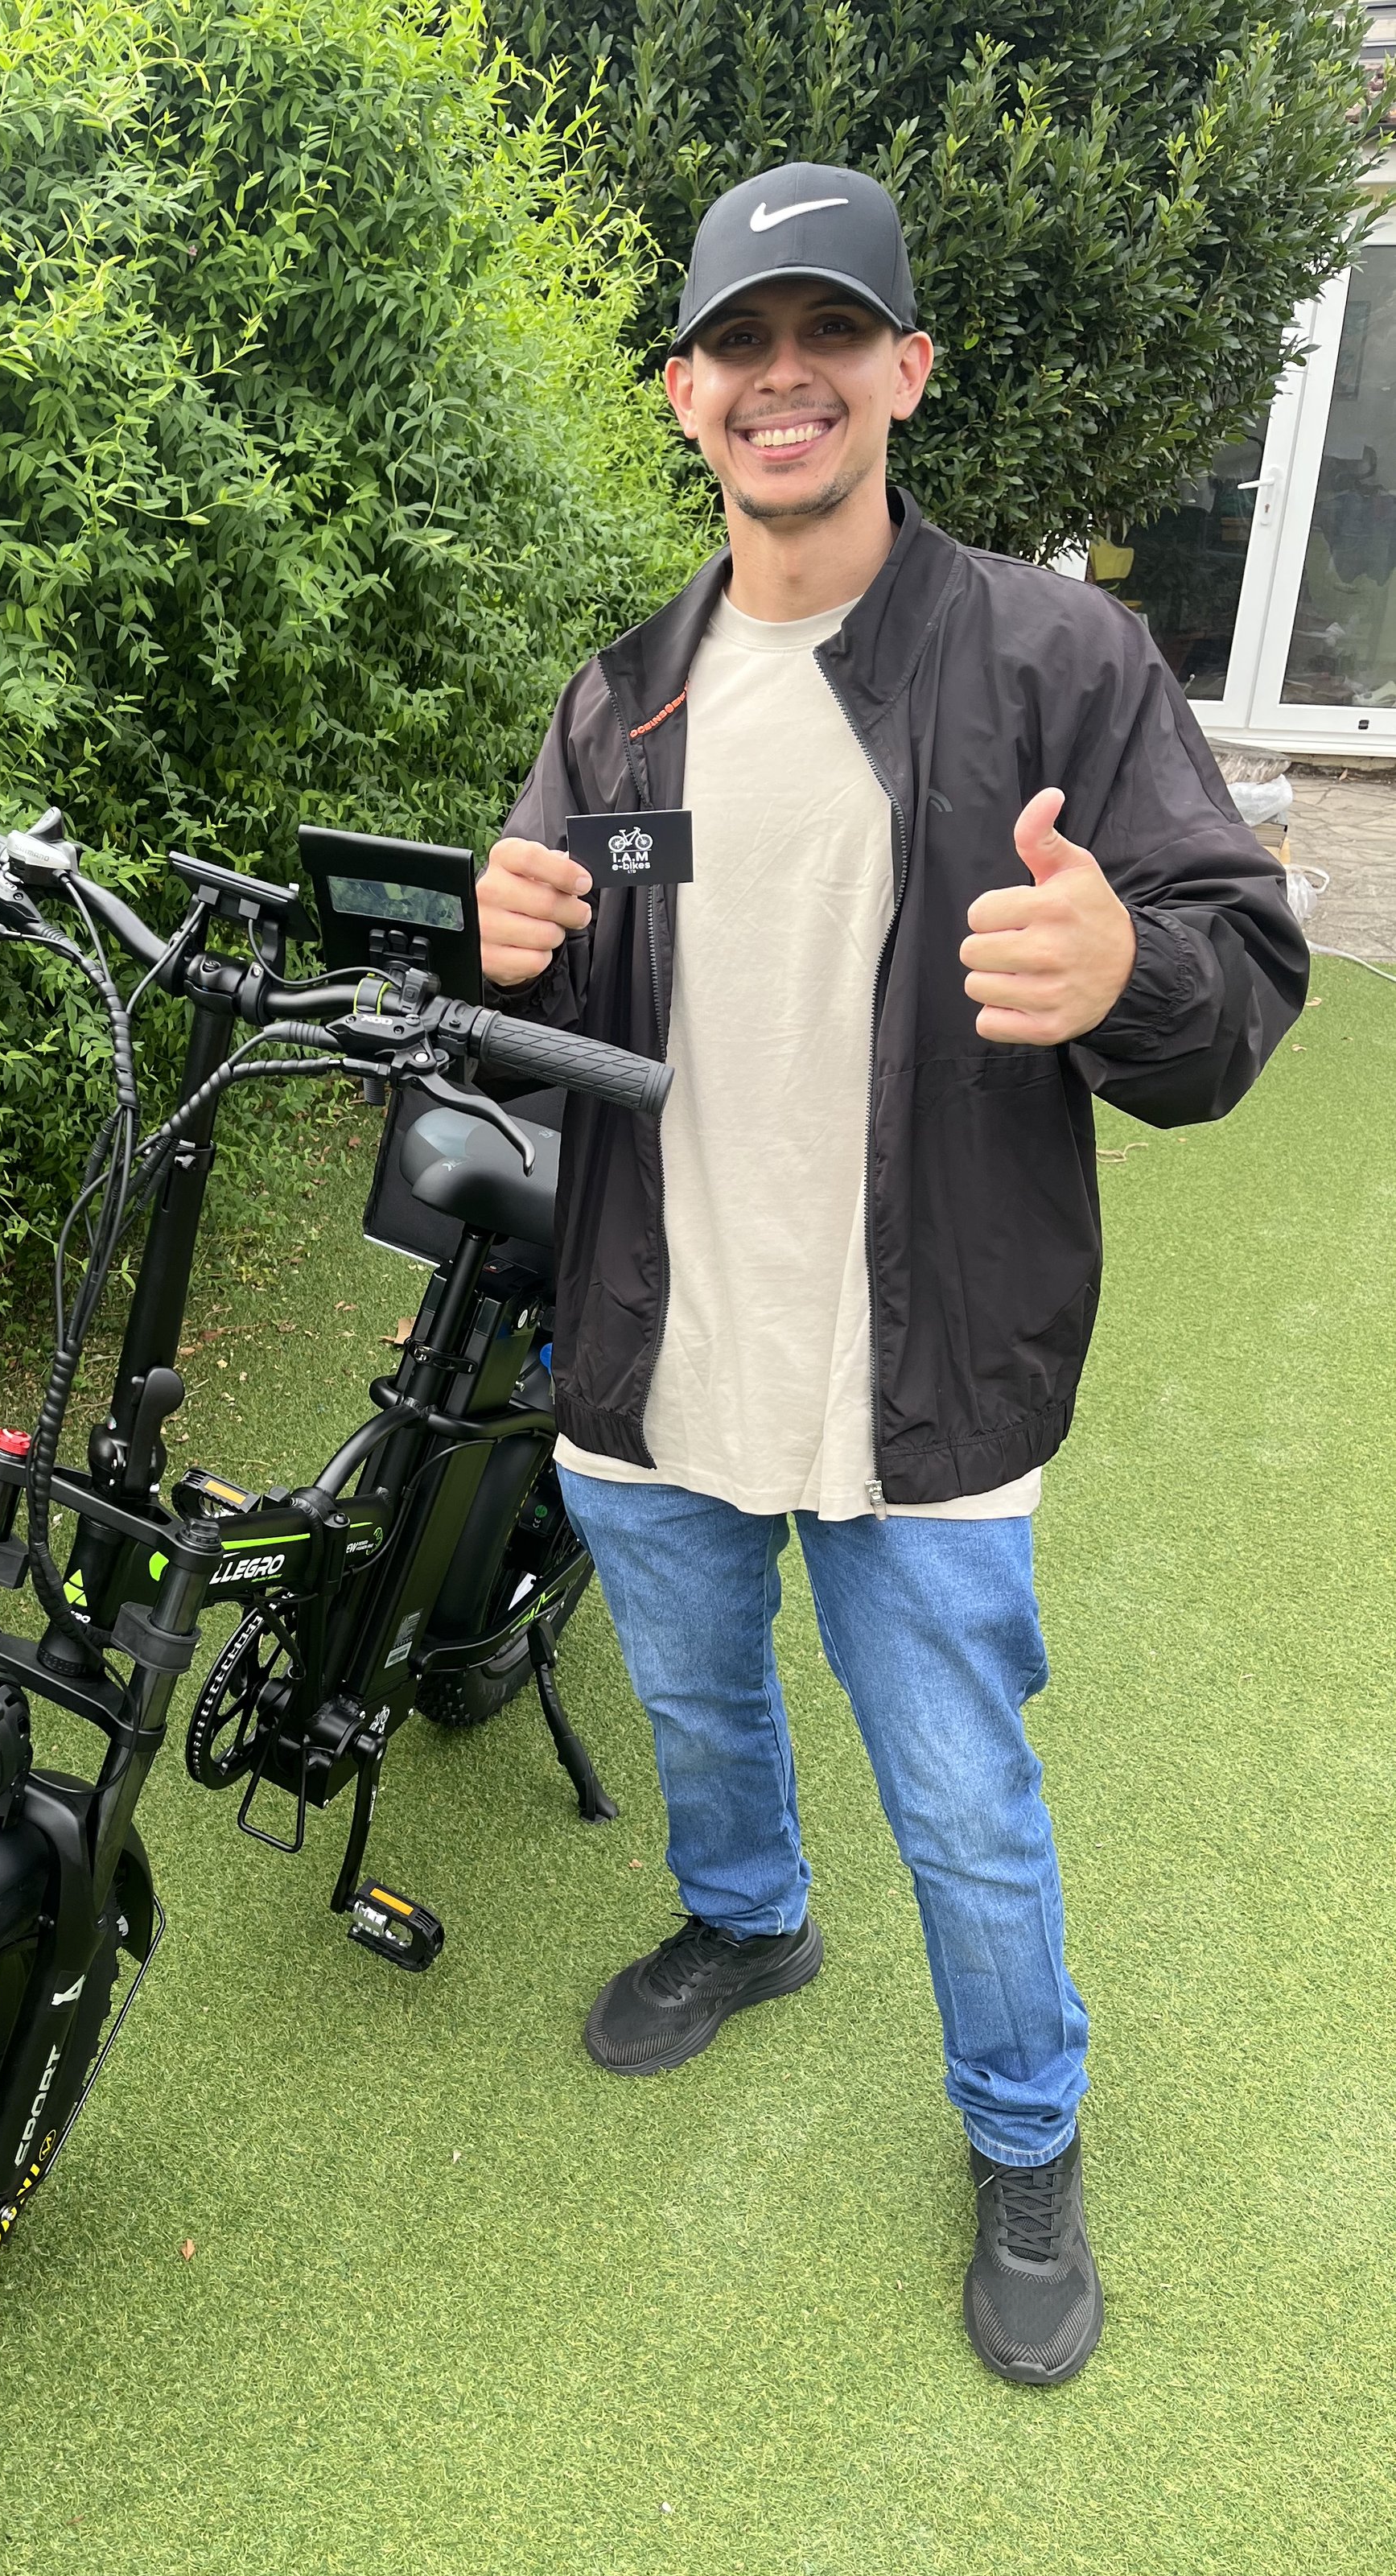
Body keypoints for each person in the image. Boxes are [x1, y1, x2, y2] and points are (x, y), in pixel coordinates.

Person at [477, 160, 1307, 2384]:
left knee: (959, 1807)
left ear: (903, 371)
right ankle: (748, 1925)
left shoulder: (1056, 659)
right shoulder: (625, 694)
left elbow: (1237, 975)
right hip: (654, 1355)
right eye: (738, 346)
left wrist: (1131, 967)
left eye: (827, 336)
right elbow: (560, 972)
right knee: (697, 1706)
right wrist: (506, 938)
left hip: (923, 1378)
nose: (784, 380)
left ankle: (1024, 2138)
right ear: (683, 394)